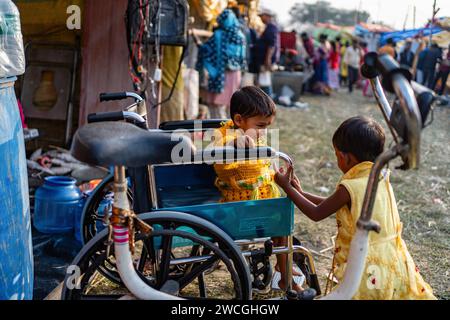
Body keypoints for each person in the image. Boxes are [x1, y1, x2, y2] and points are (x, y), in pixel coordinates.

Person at [275, 116, 437, 300]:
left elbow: (316, 213)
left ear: (346, 158)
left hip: (366, 263)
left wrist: (286, 188)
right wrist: (300, 192)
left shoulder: (350, 187)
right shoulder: (379, 177)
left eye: (337, 156)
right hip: (391, 256)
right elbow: (331, 203)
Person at [212, 86, 314, 296]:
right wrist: (235, 144)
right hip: (240, 204)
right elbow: (220, 162)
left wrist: (280, 176)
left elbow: (266, 164)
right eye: (260, 125)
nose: (264, 132)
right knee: (278, 222)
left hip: (264, 200)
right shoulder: (225, 136)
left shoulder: (257, 136)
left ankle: (285, 274)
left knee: (283, 227)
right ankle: (281, 272)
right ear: (239, 120)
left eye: (267, 126)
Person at [196, 9, 246, 119]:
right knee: (232, 104)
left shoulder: (219, 35)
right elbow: (243, 58)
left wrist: (199, 44)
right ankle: (231, 128)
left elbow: (207, 50)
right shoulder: (241, 36)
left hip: (220, 74)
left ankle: (219, 129)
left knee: (216, 104)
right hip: (235, 74)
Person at [255, 8, 280, 97]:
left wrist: (267, 59)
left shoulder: (271, 27)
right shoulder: (269, 27)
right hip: (265, 59)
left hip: (266, 60)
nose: (261, 18)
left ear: (267, 16)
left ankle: (268, 103)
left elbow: (271, 45)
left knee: (265, 82)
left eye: (262, 16)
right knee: (263, 81)